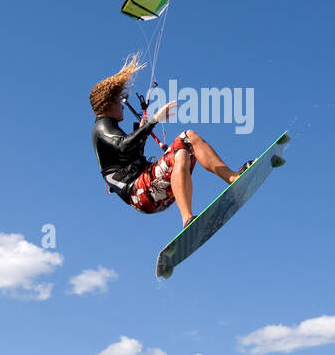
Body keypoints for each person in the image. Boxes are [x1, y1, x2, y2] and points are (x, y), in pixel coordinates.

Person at [90, 56, 250, 227]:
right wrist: (154, 120)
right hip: (140, 194)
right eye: (117, 102)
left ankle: (232, 177)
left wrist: (142, 130)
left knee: (189, 139)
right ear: (107, 104)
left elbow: (130, 153)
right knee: (182, 144)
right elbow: (123, 146)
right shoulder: (101, 128)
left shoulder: (110, 127)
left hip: (151, 190)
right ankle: (187, 218)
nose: (122, 106)